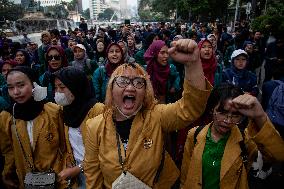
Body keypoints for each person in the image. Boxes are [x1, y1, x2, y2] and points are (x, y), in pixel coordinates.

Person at [84, 39, 212, 189]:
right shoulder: (94, 126)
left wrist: (192, 64)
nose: (131, 88)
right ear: (111, 89)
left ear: (145, 92)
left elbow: (190, 108)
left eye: (139, 83)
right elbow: (93, 176)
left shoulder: (156, 116)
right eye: (123, 81)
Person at [180, 83, 284, 189]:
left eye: (235, 115)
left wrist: (260, 117)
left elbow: (278, 155)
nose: (228, 121)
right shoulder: (194, 134)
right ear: (212, 109)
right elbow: (185, 175)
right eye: (222, 112)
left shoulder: (244, 139)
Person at [0, 66, 69, 189]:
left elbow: (65, 146)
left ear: (33, 84)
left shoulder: (53, 111)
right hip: (26, 181)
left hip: (57, 179)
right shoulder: (7, 117)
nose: (16, 92)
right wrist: (8, 175)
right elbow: (8, 151)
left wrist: (64, 173)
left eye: (21, 85)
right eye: (10, 87)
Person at [53, 67, 104, 188]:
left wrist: (79, 168)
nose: (58, 92)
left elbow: (105, 151)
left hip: (97, 173)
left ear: (76, 86)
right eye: (56, 88)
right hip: (76, 176)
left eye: (62, 87)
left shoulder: (98, 110)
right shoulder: (66, 110)